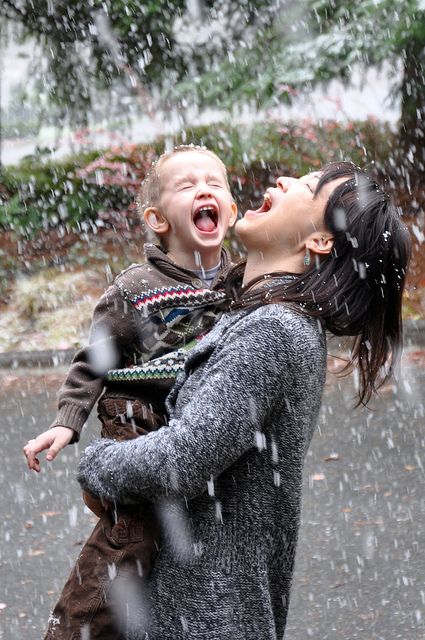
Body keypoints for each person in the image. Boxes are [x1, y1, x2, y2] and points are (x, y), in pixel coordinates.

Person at [77, 161, 411, 640]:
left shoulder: (274, 331)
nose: (285, 181)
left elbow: (182, 459)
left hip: (207, 618)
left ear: (319, 241)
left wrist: (98, 463)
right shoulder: (259, 318)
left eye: (308, 187)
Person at [23, 145, 238, 639]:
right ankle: (76, 626)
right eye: (187, 186)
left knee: (189, 553)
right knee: (126, 547)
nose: (204, 189)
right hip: (137, 423)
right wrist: (66, 421)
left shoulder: (239, 283)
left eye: (215, 184)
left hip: (193, 424)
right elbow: (92, 360)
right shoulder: (137, 287)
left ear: (228, 210)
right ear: (157, 219)